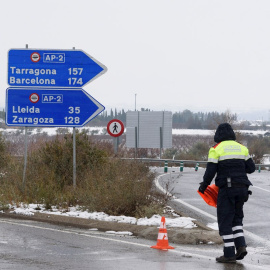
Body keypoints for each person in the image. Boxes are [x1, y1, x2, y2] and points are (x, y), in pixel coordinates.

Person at [198, 123, 255, 263]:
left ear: (218, 135)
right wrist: (238, 170)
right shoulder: (242, 148)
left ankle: (229, 254)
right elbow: (251, 168)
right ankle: (241, 246)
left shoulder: (216, 149)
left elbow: (210, 171)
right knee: (237, 219)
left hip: (227, 189)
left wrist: (203, 186)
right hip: (243, 188)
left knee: (225, 221)